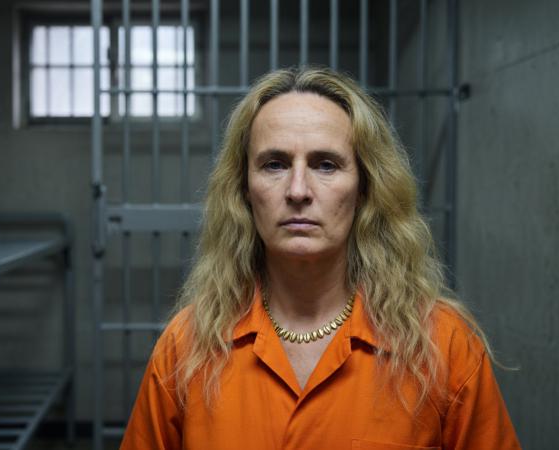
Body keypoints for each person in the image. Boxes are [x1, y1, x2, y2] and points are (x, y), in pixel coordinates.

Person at [120, 67, 521, 450]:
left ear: (364, 188)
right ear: (243, 189)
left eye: (326, 165)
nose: (298, 190)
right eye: (274, 164)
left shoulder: (443, 346)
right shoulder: (187, 347)